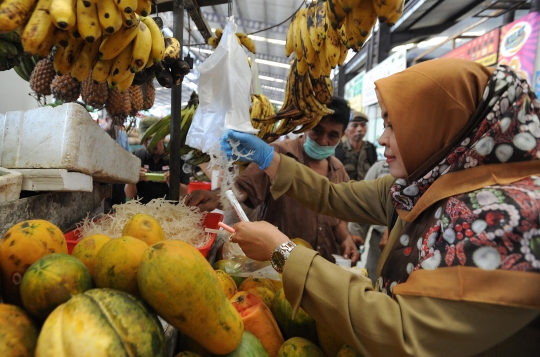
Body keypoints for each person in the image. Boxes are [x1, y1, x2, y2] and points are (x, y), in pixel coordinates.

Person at [217, 59, 540, 356]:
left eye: (396, 125)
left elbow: (405, 333)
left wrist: (283, 252)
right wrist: (270, 158)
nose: (382, 138)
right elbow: (333, 197)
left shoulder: (508, 220)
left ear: (446, 128)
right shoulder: (420, 189)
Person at [186, 97, 362, 264]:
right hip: (276, 269)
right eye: (317, 131)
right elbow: (244, 187)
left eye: (333, 135)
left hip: (321, 270)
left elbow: (338, 217)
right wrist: (216, 197)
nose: (324, 141)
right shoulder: (276, 156)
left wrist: (346, 238)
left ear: (343, 135)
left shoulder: (339, 170)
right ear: (306, 125)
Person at [336, 110, 378, 243]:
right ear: (346, 129)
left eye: (363, 125)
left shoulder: (370, 149)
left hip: (364, 206)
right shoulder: (339, 150)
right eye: (355, 125)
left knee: (359, 241)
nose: (359, 129)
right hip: (344, 205)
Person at [125, 116, 190, 203]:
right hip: (142, 211)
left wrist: (173, 182)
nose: (149, 143)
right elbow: (130, 195)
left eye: (153, 138)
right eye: (146, 139)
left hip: (169, 210)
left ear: (163, 137)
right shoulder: (136, 158)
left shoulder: (177, 159)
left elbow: (183, 193)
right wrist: (133, 179)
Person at [361, 160, 390, 284]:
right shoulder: (379, 168)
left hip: (409, 240)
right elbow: (363, 201)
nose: (383, 141)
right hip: (378, 238)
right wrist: (355, 234)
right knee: (372, 279)